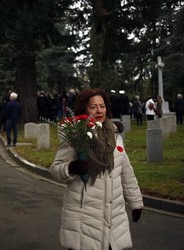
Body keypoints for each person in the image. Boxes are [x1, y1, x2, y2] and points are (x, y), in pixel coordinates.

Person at [50, 88, 143, 250]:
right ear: (84, 109)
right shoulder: (77, 136)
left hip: (114, 219)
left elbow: (126, 172)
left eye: (102, 106)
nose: (99, 111)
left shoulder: (115, 137)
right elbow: (56, 170)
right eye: (93, 107)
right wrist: (71, 168)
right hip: (84, 220)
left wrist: (136, 202)